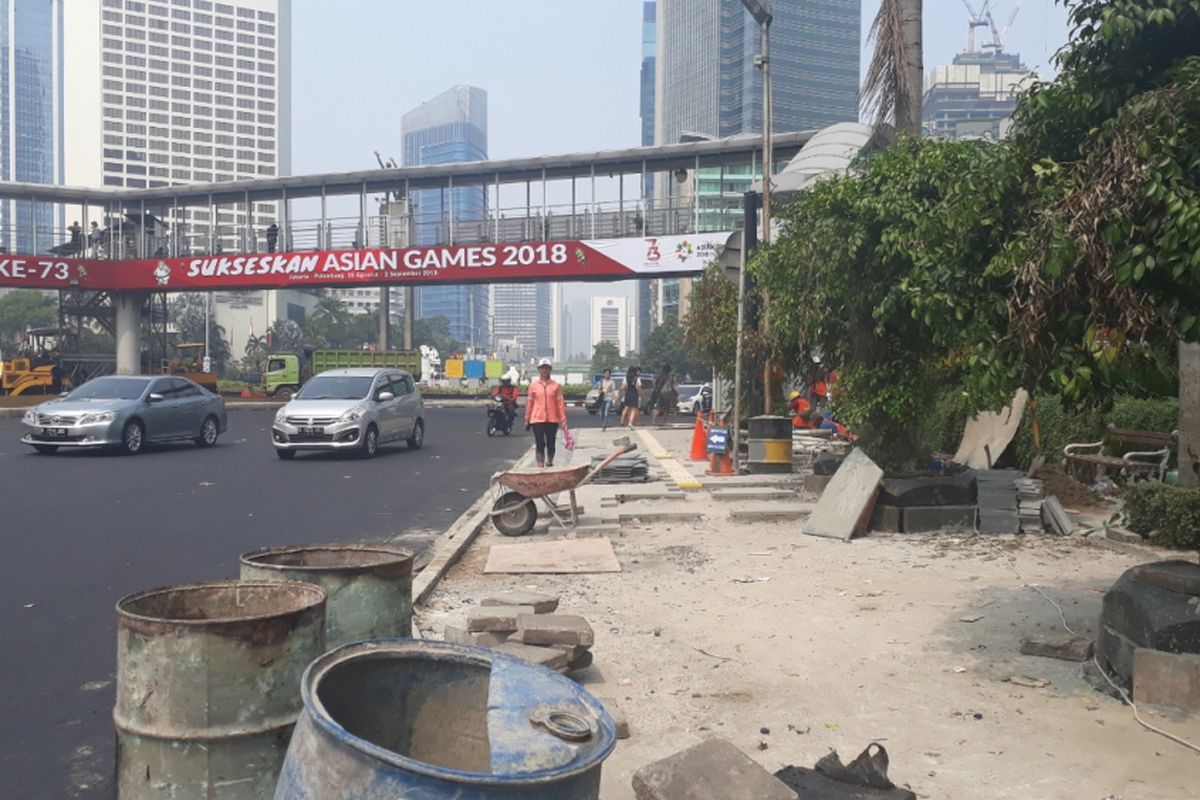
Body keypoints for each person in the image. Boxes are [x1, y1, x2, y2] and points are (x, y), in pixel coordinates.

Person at [525, 357, 568, 468]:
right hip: (537, 419)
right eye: (542, 368)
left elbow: (560, 403)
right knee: (540, 443)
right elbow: (530, 403)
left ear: (550, 370)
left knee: (551, 443)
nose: (544, 371)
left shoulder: (555, 386)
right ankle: (540, 466)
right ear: (539, 370)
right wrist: (527, 418)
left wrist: (563, 419)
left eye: (547, 368)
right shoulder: (533, 386)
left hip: (552, 419)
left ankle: (550, 461)